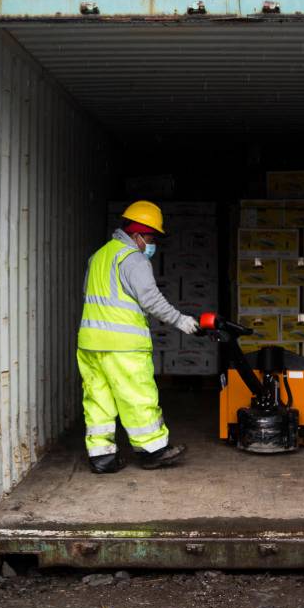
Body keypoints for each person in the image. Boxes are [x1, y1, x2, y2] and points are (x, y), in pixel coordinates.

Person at [77, 200, 200, 474]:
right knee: (137, 396)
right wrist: (181, 321)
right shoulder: (133, 259)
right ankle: (153, 450)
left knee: (98, 400)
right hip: (123, 346)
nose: (152, 243)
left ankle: (102, 457)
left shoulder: (99, 256)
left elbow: (88, 294)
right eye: (151, 237)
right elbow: (151, 299)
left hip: (89, 344)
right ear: (137, 235)